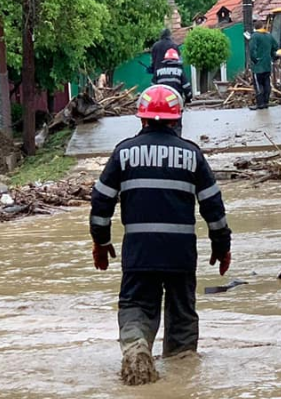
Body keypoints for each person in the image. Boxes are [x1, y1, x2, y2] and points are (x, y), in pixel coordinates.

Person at [89, 85, 232, 386]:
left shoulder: (124, 152)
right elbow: (213, 208)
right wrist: (222, 246)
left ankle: (137, 346)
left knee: (135, 307)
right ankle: (181, 378)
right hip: (180, 255)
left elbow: (101, 202)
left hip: (139, 253)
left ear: (141, 119)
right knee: (181, 317)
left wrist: (101, 242)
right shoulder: (192, 155)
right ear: (176, 119)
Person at [152, 48, 192, 137]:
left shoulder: (158, 71)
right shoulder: (180, 71)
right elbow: (186, 87)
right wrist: (189, 98)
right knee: (176, 124)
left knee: (158, 123)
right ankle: (176, 140)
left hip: (161, 103)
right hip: (175, 103)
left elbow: (153, 87)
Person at [249, 20, 278, 110]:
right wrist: (272, 57)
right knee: (267, 83)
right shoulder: (269, 36)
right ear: (263, 26)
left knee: (258, 84)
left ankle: (260, 103)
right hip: (267, 65)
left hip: (258, 66)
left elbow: (252, 50)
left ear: (255, 27)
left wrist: (254, 60)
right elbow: (275, 46)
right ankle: (266, 102)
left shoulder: (254, 36)